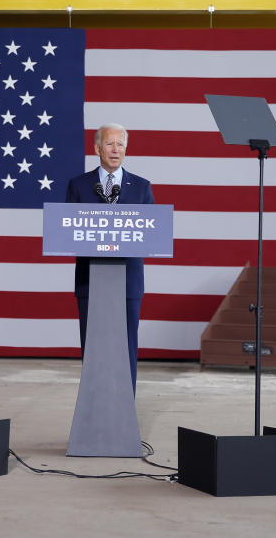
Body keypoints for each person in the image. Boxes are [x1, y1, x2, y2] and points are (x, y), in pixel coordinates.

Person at [65, 123, 154, 392]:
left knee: (126, 347)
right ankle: (93, 414)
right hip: (91, 282)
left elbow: (150, 235)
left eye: (120, 145)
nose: (115, 150)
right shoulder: (78, 185)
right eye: (110, 144)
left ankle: (125, 416)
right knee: (94, 349)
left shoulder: (141, 187)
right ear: (97, 148)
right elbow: (67, 232)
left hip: (128, 282)